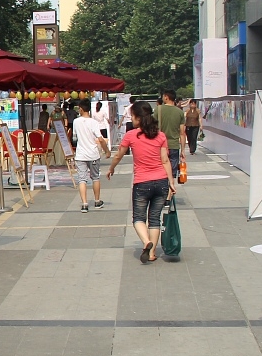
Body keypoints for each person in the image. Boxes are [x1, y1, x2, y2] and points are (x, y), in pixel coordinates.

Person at [106, 101, 176, 263]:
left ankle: (146, 242)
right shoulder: (160, 135)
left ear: (138, 117)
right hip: (161, 182)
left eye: (132, 116)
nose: (131, 119)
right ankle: (152, 254)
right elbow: (165, 160)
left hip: (142, 183)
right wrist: (171, 182)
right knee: (155, 219)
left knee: (138, 218)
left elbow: (118, 155)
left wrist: (111, 168)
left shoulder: (131, 135)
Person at [73, 101, 110, 212]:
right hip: (93, 154)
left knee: (82, 179)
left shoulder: (76, 122)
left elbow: (74, 138)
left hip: (80, 155)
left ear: (81, 109)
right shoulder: (94, 122)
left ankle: (84, 204)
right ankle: (97, 201)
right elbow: (100, 139)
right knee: (95, 177)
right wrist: (107, 151)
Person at [154, 89, 187, 179]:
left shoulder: (158, 109)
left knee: (161, 168)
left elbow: (152, 126)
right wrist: (183, 150)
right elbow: (182, 133)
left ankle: (164, 185)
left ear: (166, 97)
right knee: (172, 171)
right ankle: (171, 185)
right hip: (174, 145)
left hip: (160, 144)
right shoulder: (180, 112)